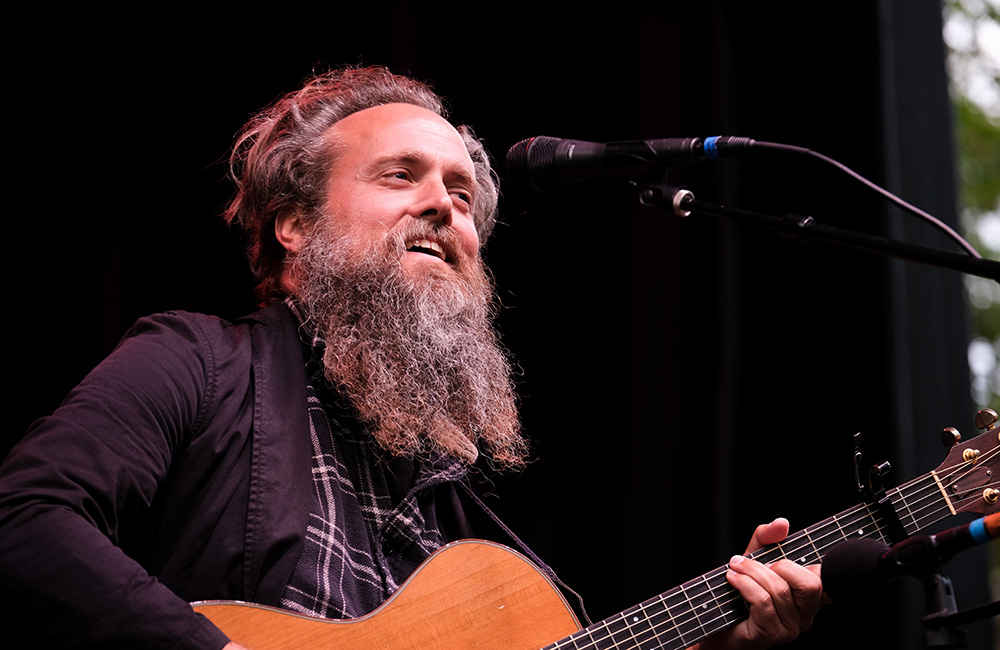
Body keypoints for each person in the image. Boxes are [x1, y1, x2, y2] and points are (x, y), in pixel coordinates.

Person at [0, 66, 822, 649]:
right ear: (296, 225)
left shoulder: (460, 517)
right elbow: (24, 517)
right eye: (401, 176)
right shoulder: (196, 362)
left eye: (462, 195)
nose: (442, 205)